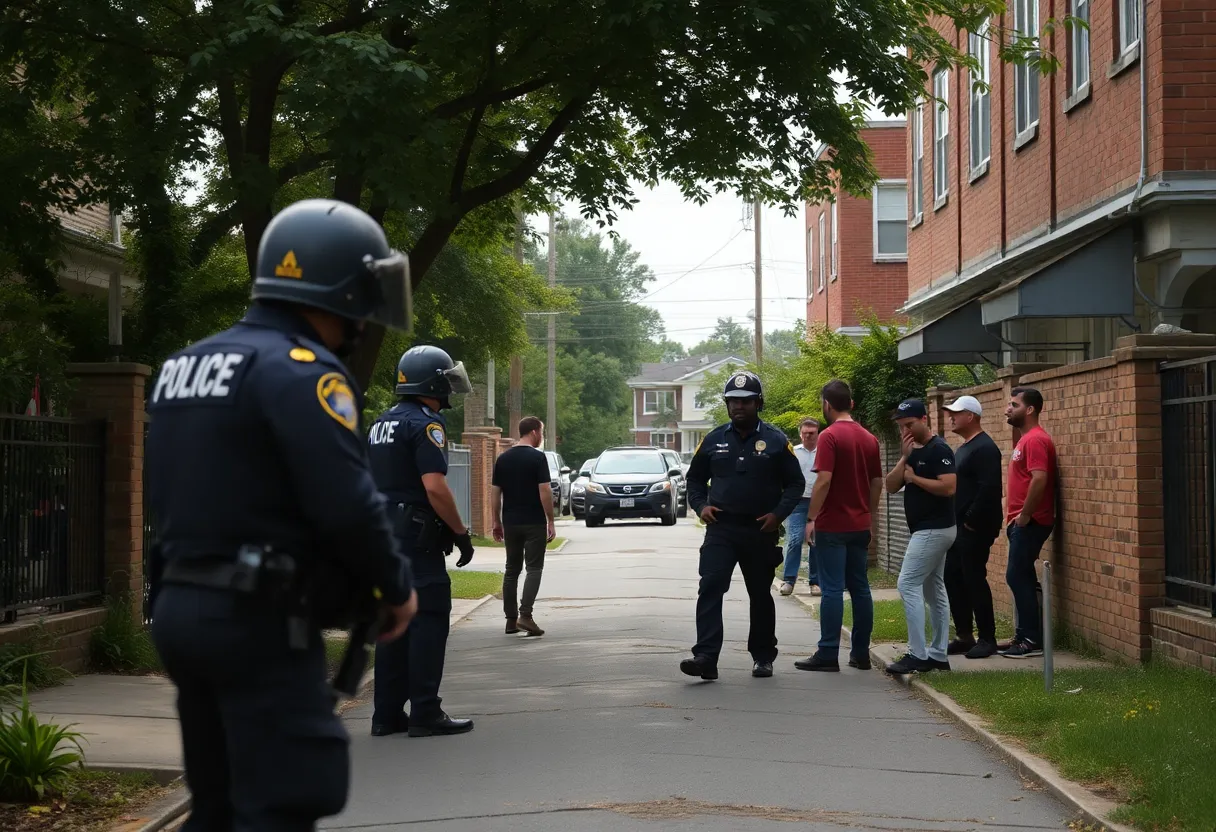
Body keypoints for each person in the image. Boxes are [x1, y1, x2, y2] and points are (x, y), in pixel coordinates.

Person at [146, 198, 419, 830]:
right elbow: (347, 501)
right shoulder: (303, 373)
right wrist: (396, 588)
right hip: (255, 616)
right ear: (338, 288)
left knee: (218, 805)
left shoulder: (187, 366)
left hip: (180, 608)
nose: (363, 315)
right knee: (287, 799)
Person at [367, 344, 477, 737]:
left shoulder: (381, 422)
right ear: (431, 382)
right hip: (415, 538)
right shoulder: (425, 424)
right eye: (445, 379)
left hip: (382, 535)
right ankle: (426, 711)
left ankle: (386, 714)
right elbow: (435, 488)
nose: (448, 387)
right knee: (428, 618)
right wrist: (461, 533)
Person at [680, 370, 805, 681]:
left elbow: (795, 484)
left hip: (759, 531)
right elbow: (694, 479)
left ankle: (763, 656)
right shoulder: (713, 439)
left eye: (746, 401)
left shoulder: (776, 441)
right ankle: (706, 656)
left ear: (758, 403)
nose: (738, 406)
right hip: (721, 528)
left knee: (760, 594)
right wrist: (700, 506)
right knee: (710, 588)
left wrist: (777, 515)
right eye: (733, 401)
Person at [795, 379, 882, 673]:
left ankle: (828, 652)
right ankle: (861, 653)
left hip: (833, 524)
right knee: (860, 587)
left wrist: (811, 519)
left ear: (827, 405)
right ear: (852, 405)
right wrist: (868, 515)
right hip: (859, 524)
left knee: (832, 588)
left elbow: (824, 480)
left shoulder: (830, 437)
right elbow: (877, 482)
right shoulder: (869, 438)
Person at [882, 400, 956, 675]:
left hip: (935, 529)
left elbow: (949, 487)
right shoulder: (911, 452)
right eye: (902, 427)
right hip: (926, 530)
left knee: (907, 583)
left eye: (910, 425)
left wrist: (915, 479)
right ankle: (938, 655)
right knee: (933, 589)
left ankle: (917, 654)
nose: (906, 431)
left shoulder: (940, 449)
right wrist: (903, 458)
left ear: (924, 419)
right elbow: (890, 486)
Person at [942, 395, 1003, 659]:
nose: (951, 417)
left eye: (956, 412)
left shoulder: (985, 448)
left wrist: (970, 519)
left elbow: (989, 489)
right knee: (953, 577)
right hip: (958, 527)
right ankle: (964, 635)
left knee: (974, 578)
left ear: (972, 416)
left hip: (975, 527)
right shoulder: (964, 447)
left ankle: (987, 638)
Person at [1003, 386, 1057, 659]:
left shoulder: (1035, 440)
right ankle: (1026, 634)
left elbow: (1040, 478)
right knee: (1021, 576)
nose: (1007, 409)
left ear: (1030, 409)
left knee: (1016, 575)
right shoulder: (1025, 440)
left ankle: (1030, 640)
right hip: (1021, 522)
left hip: (1031, 521)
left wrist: (1024, 515)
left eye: (1013, 404)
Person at [491, 416, 556, 637]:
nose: (542, 437)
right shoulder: (538, 458)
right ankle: (525, 616)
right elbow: (545, 491)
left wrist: (496, 521)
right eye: (542, 432)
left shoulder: (503, 459)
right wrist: (551, 519)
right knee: (534, 568)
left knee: (512, 570)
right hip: (534, 521)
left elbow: (495, 492)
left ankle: (510, 620)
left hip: (511, 522)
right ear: (535, 432)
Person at [779, 418, 821, 597]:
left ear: (817, 433)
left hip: (819, 502)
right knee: (795, 539)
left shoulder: (824, 452)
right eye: (805, 433)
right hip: (797, 501)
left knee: (816, 541)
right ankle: (789, 580)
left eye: (811, 433)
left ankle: (816, 582)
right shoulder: (793, 452)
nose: (808, 436)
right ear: (800, 433)